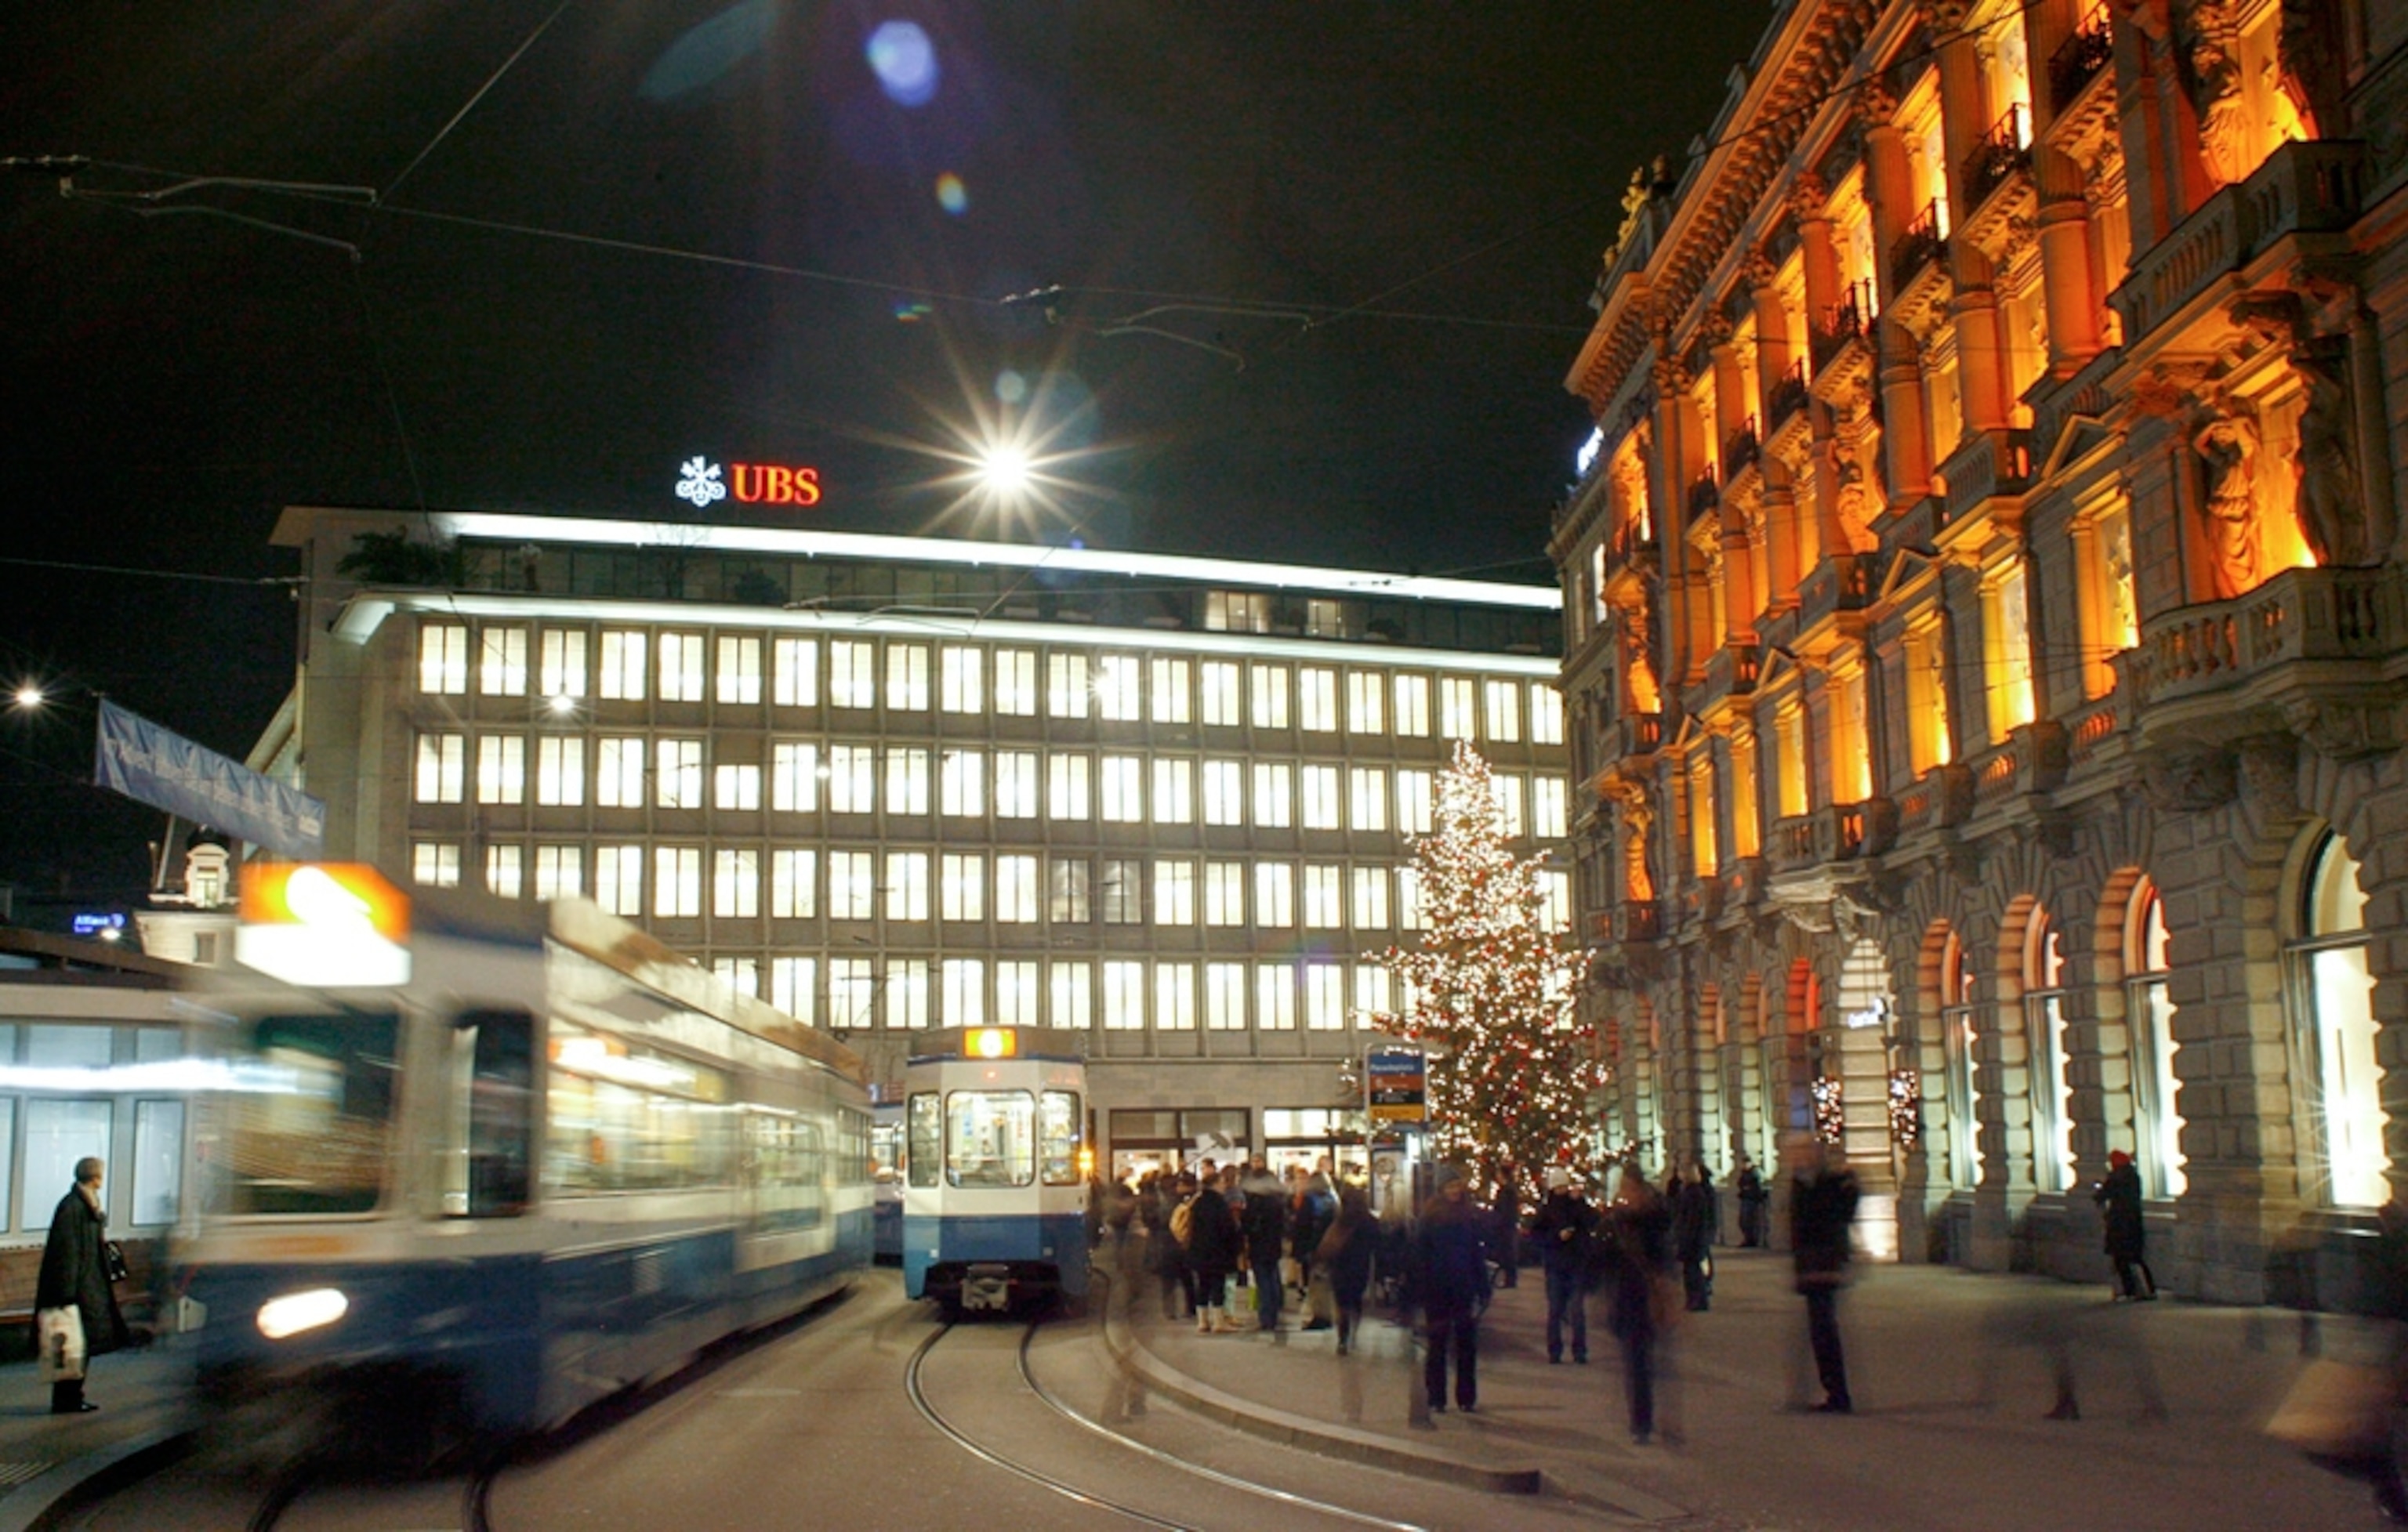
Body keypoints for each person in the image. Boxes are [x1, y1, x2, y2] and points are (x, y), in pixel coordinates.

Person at [35, 1157, 125, 1414]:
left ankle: (72, 1396)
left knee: (79, 1345)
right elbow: (67, 1253)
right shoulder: (74, 1207)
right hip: (78, 1291)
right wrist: (67, 1293)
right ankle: (67, 1399)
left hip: (87, 1287)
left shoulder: (84, 1205)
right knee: (72, 1345)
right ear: (95, 1177)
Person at [1600, 1166, 1671, 1443]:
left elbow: (1664, 1256)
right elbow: (1601, 1261)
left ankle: (1648, 1420)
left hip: (1648, 1298)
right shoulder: (1615, 1222)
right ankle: (1642, 1422)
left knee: (1645, 1363)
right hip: (1626, 1301)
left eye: (1628, 1188)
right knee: (1637, 1364)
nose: (1625, 1194)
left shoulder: (1654, 1219)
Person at [1413, 1164, 1488, 1414]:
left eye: (1457, 1185)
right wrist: (1421, 1287)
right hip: (1438, 1289)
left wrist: (1482, 1287)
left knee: (1466, 1345)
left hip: (1463, 1287)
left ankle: (1466, 1397)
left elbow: (1477, 1253)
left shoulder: (1469, 1216)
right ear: (1441, 1189)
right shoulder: (1430, 1218)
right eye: (1450, 1186)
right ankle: (1437, 1397)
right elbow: (1420, 1256)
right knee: (1437, 1344)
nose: (1455, 1191)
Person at [1792, 1142, 1860, 1414]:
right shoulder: (1806, 1183)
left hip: (1822, 1268)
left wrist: (1851, 1185)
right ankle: (1833, 1390)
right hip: (1813, 1268)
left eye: (1801, 1152)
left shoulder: (1823, 1185)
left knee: (1824, 1333)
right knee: (1820, 1333)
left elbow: (1838, 1217)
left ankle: (1838, 1394)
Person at [1529, 1168, 1597, 1364]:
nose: (1562, 1191)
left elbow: (1593, 1221)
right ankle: (1555, 1350)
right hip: (1556, 1265)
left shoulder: (1576, 1205)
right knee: (1555, 1309)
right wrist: (1556, 1237)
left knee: (1577, 1309)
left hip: (1576, 1263)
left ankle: (1580, 1350)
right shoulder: (1547, 1211)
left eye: (1564, 1187)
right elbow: (1537, 1236)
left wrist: (1581, 1202)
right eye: (1558, 1187)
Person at [1318, 1184, 1379, 1355]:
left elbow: (1327, 1245)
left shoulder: (1340, 1220)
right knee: (1355, 1299)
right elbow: (1377, 1245)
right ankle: (1353, 1330)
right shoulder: (1370, 1221)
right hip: (1360, 1266)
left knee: (1342, 1302)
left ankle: (1343, 1338)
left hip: (1340, 1266)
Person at [1184, 1167, 1245, 1333]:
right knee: (1218, 1285)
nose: (1224, 1185)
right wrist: (1236, 1246)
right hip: (1218, 1251)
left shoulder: (1197, 1202)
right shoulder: (1220, 1204)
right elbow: (1227, 1229)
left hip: (1198, 1250)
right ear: (1216, 1184)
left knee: (1203, 1285)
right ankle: (1219, 1322)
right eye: (1222, 1182)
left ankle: (1202, 1322)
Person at [2093, 1150, 2156, 1301]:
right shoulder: (2134, 1177)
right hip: (2134, 1222)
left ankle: (2129, 1290)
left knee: (2120, 1258)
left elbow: (2100, 1196)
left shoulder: (2115, 1178)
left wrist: (2099, 1189)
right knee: (2136, 1257)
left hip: (2118, 1223)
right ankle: (2148, 1289)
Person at [1241, 1163, 1289, 1332]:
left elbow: (1247, 1225)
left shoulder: (1255, 1202)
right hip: (1274, 1245)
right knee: (1273, 1278)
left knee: (1264, 1282)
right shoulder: (1278, 1200)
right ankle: (1274, 1314)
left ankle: (1266, 1318)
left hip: (1259, 1245)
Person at [1670, 1161, 1718, 1312]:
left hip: (1693, 1239)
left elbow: (1692, 1220)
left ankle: (1697, 1300)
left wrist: (1684, 1237)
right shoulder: (1691, 1192)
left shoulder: (1693, 1194)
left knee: (1693, 1272)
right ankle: (1697, 1300)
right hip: (1694, 1238)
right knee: (1692, 1271)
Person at [1293, 1172, 1336, 1331]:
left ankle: (1320, 1317)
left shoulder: (1310, 1200)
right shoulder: (1333, 1199)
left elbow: (1302, 1227)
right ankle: (1329, 1315)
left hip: (1315, 1247)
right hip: (1332, 1247)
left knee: (1316, 1284)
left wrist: (1299, 1251)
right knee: (1328, 1283)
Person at [1490, 1164, 1521, 1288]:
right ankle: (1510, 1279)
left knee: (1507, 1253)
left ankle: (1509, 1280)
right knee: (1508, 1253)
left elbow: (1503, 1210)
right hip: (1509, 1225)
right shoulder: (1509, 1190)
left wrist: (1497, 1221)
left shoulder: (1505, 1191)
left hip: (1505, 1226)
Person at [1735, 1157, 1768, 1248]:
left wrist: (1748, 1188)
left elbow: (1757, 1185)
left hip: (1752, 1199)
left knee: (1749, 1221)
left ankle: (1751, 1240)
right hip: (1746, 1198)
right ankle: (1748, 1239)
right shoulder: (1744, 1173)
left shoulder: (1755, 1172)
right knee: (1744, 1221)